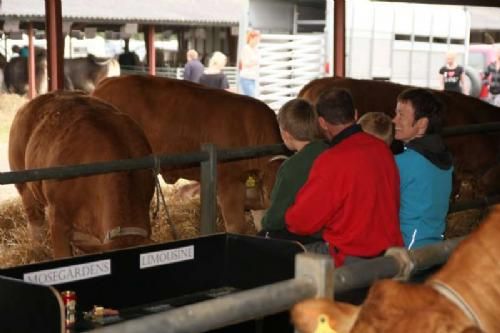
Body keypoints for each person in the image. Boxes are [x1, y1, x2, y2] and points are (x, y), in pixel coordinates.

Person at [286, 88, 403, 267]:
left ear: (322, 123)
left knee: (282, 256)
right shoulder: (382, 150)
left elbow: (301, 222)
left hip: (350, 258)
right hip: (389, 257)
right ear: (355, 114)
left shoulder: (332, 160)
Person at [259, 98, 328, 243]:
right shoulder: (330, 150)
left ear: (286, 134)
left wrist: (265, 222)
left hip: (309, 235)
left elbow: (275, 218)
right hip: (331, 228)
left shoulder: (292, 166)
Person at [392, 88, 453, 249]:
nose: (394, 120)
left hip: (407, 252)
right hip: (434, 246)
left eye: (401, 115)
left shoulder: (403, 163)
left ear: (422, 124)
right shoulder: (446, 159)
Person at [239, 29, 261, 97]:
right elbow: (244, 63)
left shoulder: (256, 49)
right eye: (257, 39)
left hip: (253, 78)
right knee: (251, 97)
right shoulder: (246, 49)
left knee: (252, 98)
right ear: (251, 38)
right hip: (246, 78)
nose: (258, 41)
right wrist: (254, 63)